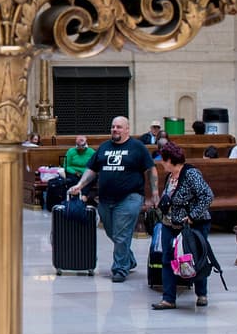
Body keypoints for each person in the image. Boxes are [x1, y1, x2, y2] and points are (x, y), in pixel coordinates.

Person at [68, 116, 157, 283]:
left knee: (122, 234)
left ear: (127, 129)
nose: (115, 129)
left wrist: (155, 194)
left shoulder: (137, 147)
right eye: (113, 127)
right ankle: (128, 259)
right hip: (106, 199)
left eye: (119, 127)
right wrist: (80, 185)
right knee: (112, 232)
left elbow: (151, 170)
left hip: (130, 197)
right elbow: (91, 169)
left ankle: (120, 269)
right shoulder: (104, 147)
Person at [151, 142, 214, 310]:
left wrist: (193, 216)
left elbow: (207, 196)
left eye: (163, 160)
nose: (161, 163)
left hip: (193, 225)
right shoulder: (170, 176)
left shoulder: (191, 174)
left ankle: (202, 294)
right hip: (169, 224)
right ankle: (168, 299)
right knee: (167, 259)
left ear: (170, 160)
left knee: (195, 258)